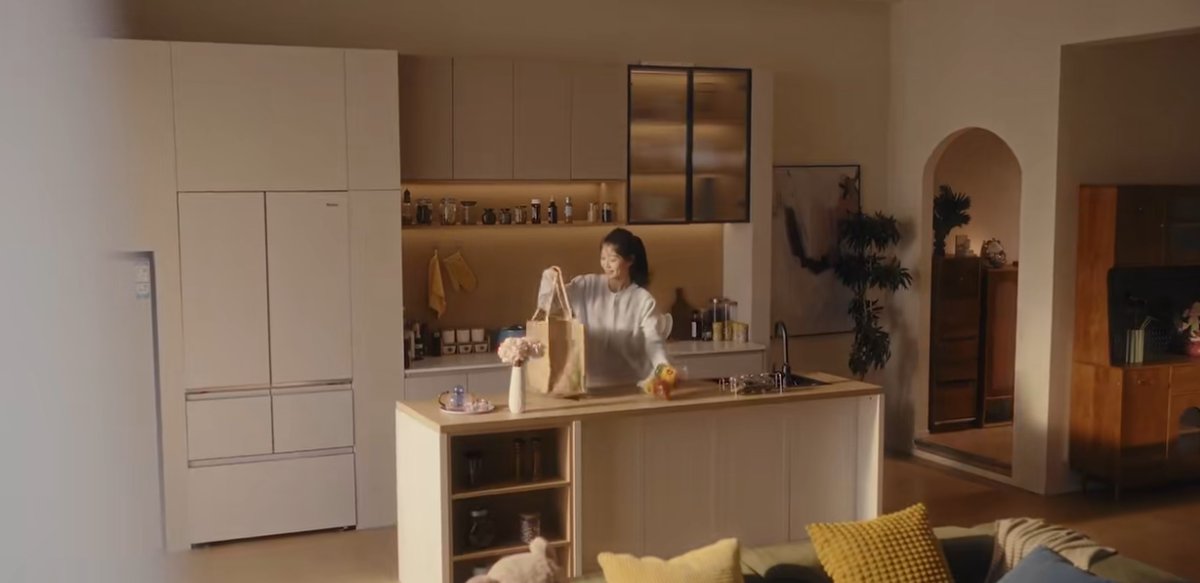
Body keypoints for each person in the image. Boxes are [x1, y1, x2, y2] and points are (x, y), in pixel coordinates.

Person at [537, 228, 669, 387]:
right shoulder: (586, 285)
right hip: (589, 384)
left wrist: (664, 369)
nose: (606, 265)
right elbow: (548, 305)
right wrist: (549, 278)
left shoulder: (643, 300)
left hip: (630, 384)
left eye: (613, 259)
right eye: (603, 258)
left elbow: (653, 342)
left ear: (630, 260)